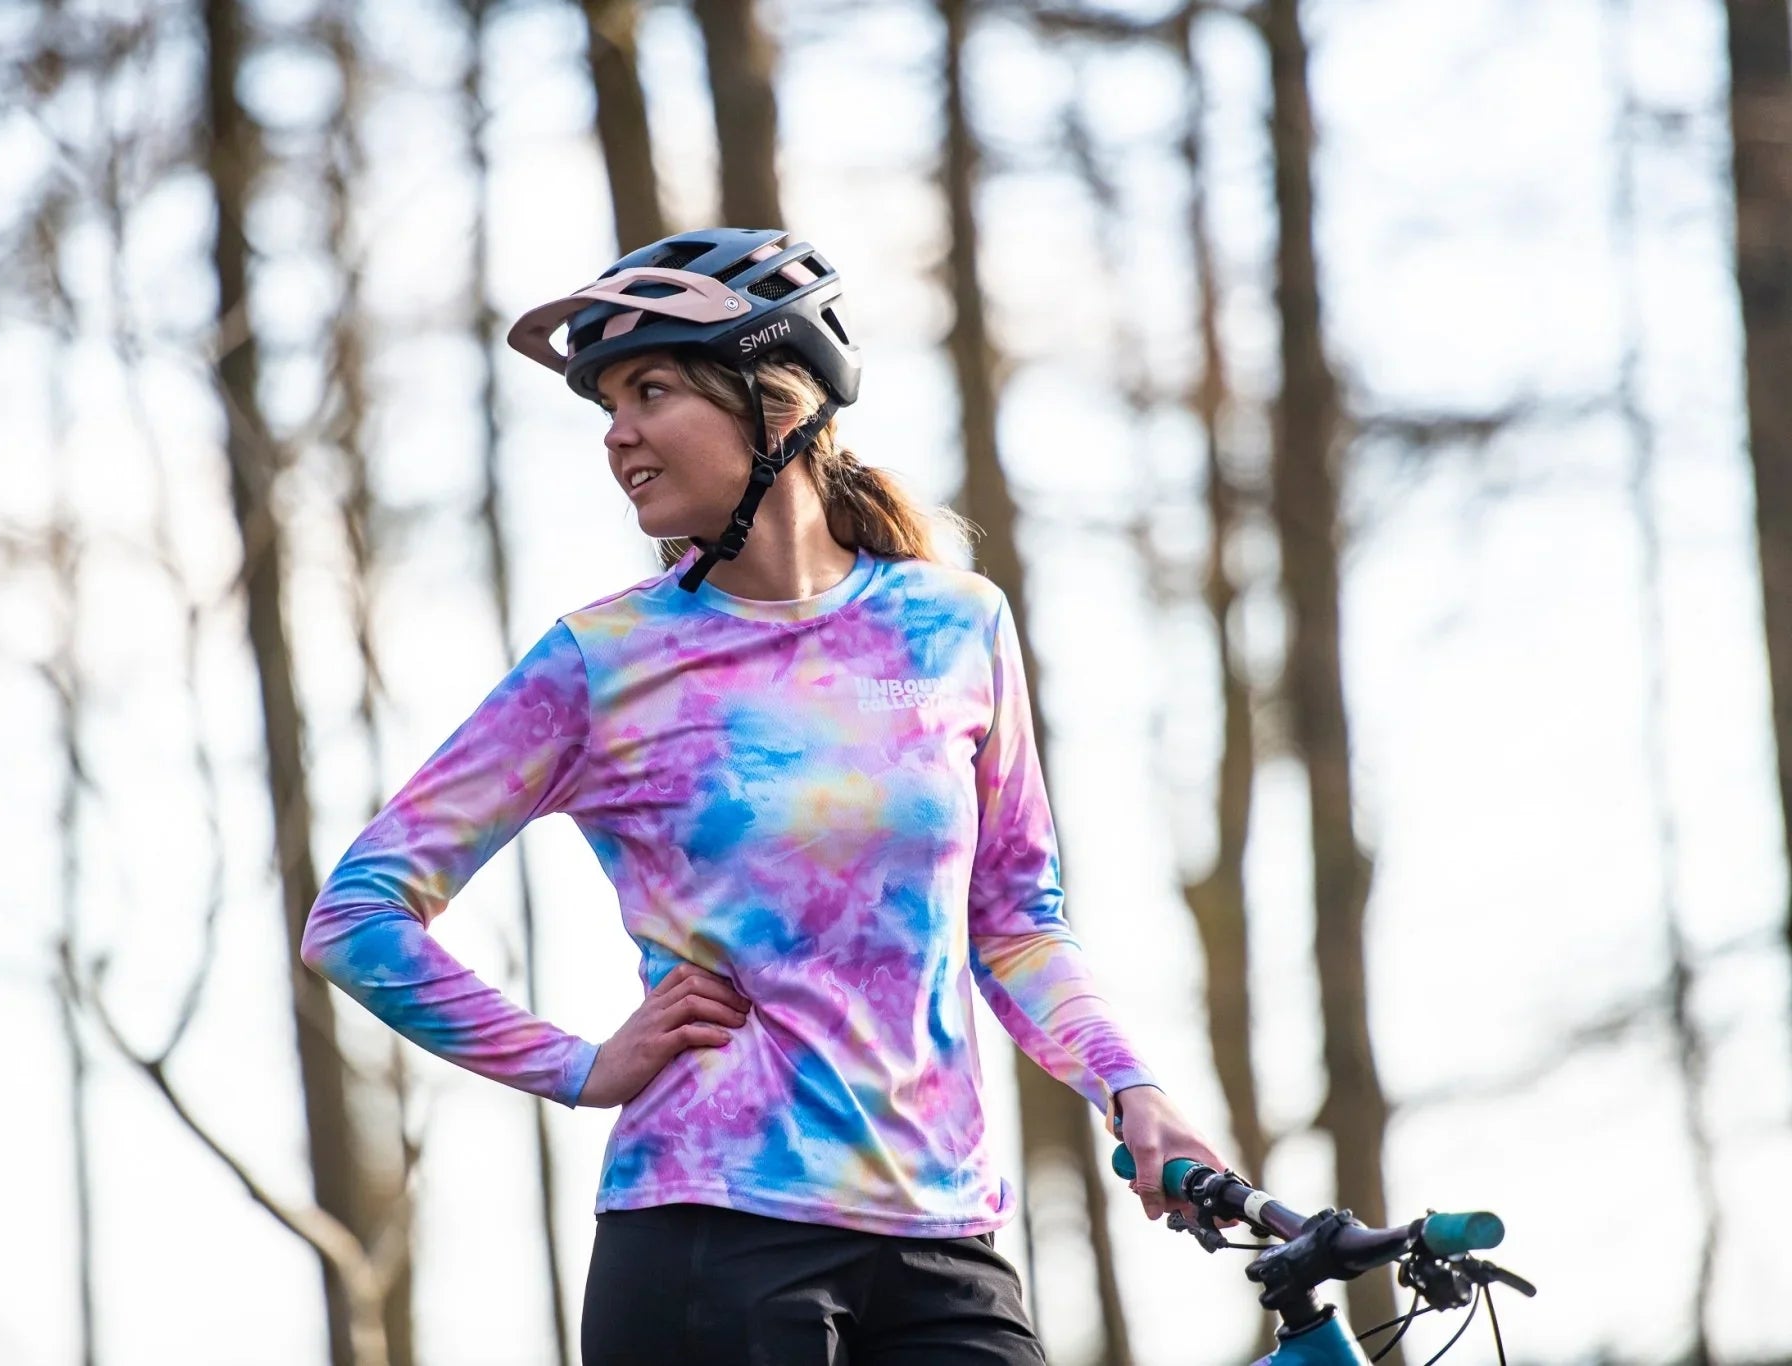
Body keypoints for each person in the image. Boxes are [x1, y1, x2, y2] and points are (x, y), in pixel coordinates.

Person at [301, 227, 1230, 1364]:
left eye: (650, 390)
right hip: (707, 1229)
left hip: (945, 1234)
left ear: (776, 404)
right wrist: (575, 1063)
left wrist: (1130, 1086)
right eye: (605, 404)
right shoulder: (604, 661)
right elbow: (358, 915)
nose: (616, 434)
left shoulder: (956, 624)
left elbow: (1015, 919)